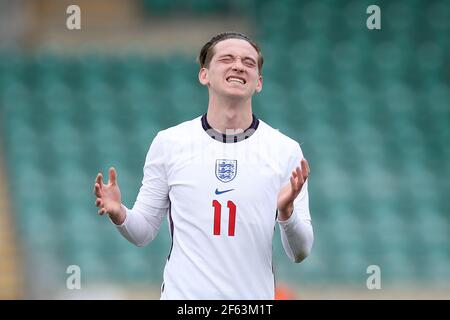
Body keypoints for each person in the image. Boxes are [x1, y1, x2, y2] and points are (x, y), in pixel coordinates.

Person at [93, 32, 314, 300]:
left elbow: (300, 252)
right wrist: (120, 214)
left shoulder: (284, 151)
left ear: (259, 82)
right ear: (204, 75)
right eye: (227, 59)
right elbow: (143, 232)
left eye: (248, 62)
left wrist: (286, 212)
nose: (238, 65)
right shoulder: (170, 143)